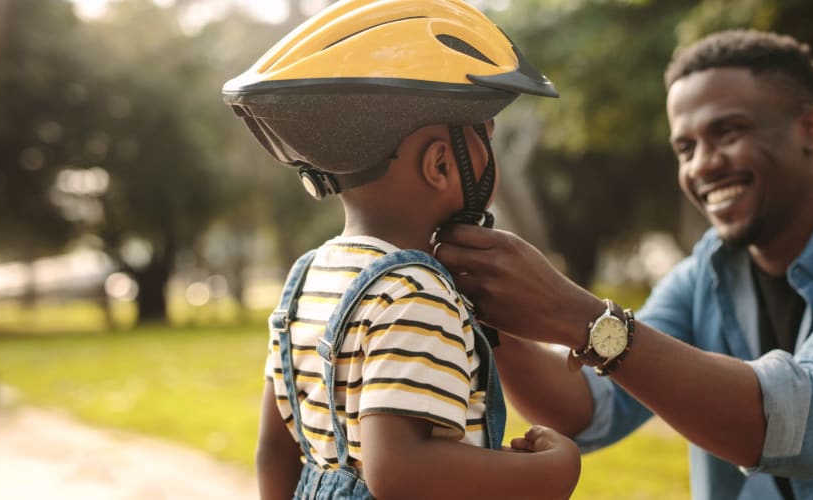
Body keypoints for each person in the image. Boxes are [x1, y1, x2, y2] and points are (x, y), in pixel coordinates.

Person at [432, 29, 813, 500]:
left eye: (729, 132)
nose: (704, 165)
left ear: (812, 128)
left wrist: (577, 314)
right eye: (685, 148)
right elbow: (586, 410)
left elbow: (811, 422)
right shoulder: (707, 274)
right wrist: (489, 309)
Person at [221, 1, 579, 499]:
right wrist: (553, 474)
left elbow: (275, 451)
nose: (489, 151)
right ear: (440, 164)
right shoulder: (415, 291)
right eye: (485, 137)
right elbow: (402, 472)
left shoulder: (307, 278)